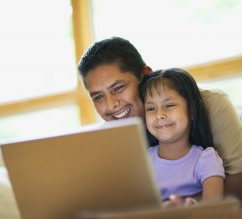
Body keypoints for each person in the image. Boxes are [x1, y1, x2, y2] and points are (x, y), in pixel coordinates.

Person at [77, 36, 242, 202]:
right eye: (98, 97)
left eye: (118, 88)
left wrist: (176, 210)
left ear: (145, 75)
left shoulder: (211, 104)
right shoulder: (105, 140)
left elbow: (238, 184)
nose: (112, 104)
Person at [140, 68, 224, 204]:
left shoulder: (206, 159)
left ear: (192, 110)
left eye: (169, 105)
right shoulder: (142, 161)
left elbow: (213, 208)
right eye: (151, 108)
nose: (159, 114)